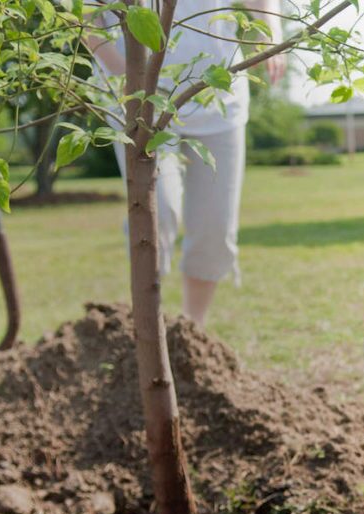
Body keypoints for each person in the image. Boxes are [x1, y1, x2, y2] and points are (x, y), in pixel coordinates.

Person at [87, 0, 285, 328]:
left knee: (215, 228)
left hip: (218, 98)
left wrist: (272, 34)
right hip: (138, 98)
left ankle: (191, 334)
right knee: (156, 213)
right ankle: (150, 333)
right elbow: (85, 12)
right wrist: (122, 71)